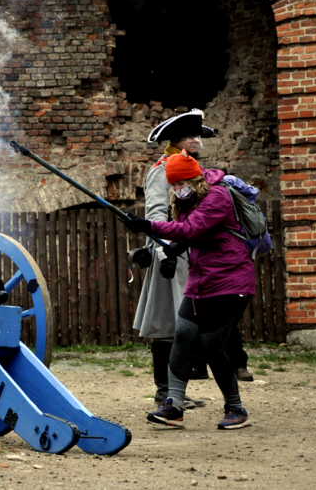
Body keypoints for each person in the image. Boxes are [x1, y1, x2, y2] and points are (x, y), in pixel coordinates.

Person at [123, 151, 253, 429]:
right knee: (182, 333)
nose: (175, 190)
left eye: (179, 185)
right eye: (171, 185)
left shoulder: (217, 196)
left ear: (193, 180)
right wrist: (169, 250)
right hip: (201, 280)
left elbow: (192, 228)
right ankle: (174, 406)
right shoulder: (186, 200)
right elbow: (187, 232)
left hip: (231, 281)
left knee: (210, 345)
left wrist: (145, 225)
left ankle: (236, 408)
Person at [130, 109, 215, 409]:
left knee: (185, 324)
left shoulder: (190, 167)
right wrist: (166, 251)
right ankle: (164, 390)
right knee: (168, 325)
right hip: (169, 254)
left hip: (188, 251)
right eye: (192, 136)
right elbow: (155, 214)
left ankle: (176, 389)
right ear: (180, 141)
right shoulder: (161, 169)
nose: (198, 140)